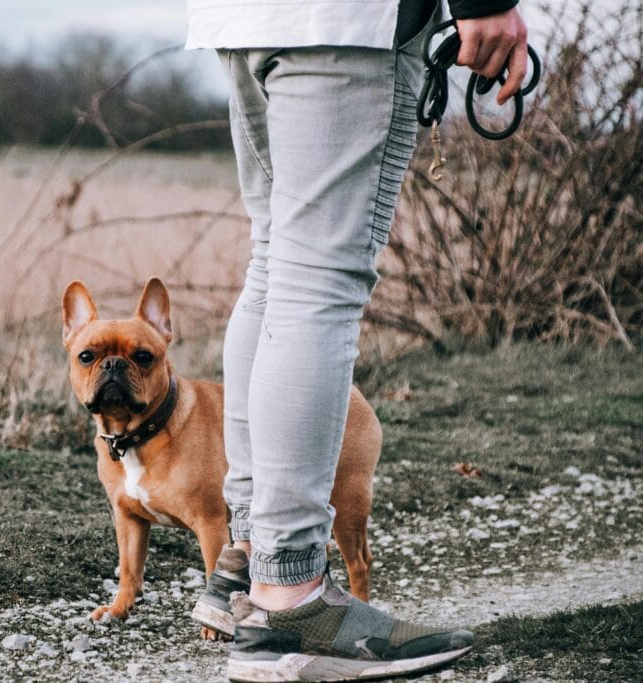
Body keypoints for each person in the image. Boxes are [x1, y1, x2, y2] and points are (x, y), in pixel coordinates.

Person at [186, 0, 529, 679]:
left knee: (277, 262)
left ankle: (251, 560)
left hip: (244, 16)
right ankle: (290, 599)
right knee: (317, 278)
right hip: (346, 23)